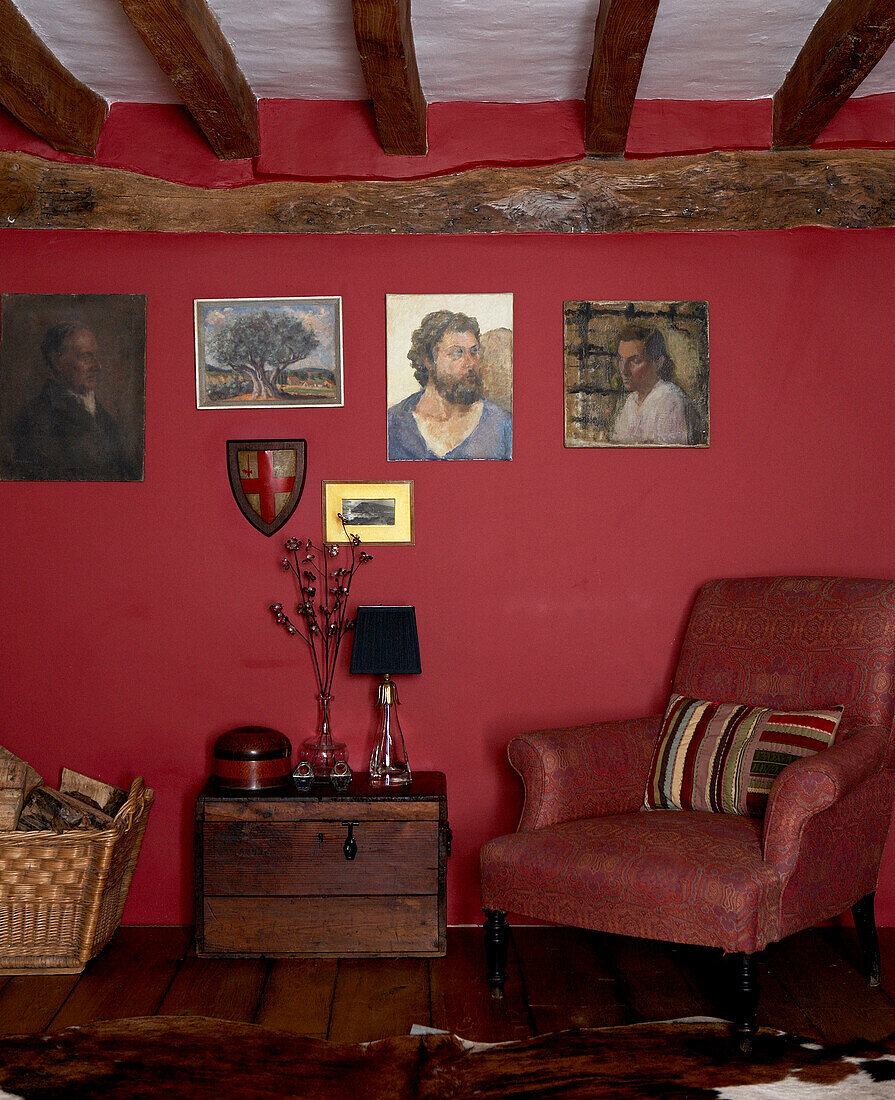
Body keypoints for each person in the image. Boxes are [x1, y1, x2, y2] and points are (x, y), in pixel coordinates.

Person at [10, 322, 136, 480]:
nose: (98, 366)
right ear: (57, 361)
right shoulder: (35, 418)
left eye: (96, 357)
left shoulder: (105, 417)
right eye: (85, 357)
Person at [387, 310, 512, 460]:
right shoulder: (393, 423)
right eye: (456, 353)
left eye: (474, 351)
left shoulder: (501, 424)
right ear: (428, 360)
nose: (470, 362)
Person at [609, 324, 703, 446]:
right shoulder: (631, 401)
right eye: (621, 360)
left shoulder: (670, 400)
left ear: (658, 362)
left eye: (635, 361)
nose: (624, 370)